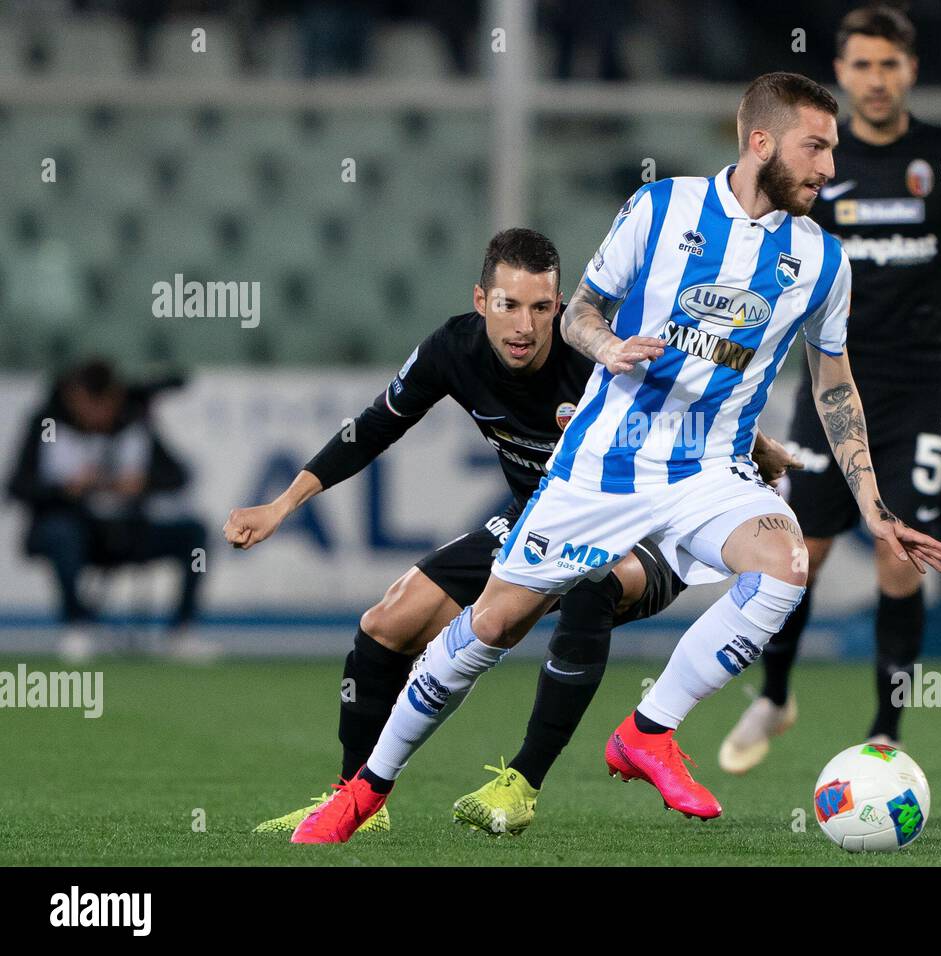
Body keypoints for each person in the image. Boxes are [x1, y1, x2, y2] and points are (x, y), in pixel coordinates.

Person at [289, 70, 941, 844]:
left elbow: (835, 384)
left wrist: (873, 506)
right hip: (603, 462)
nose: (829, 168)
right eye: (816, 148)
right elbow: (581, 315)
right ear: (761, 141)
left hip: (710, 469)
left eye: (832, 151)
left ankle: (648, 730)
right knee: (491, 627)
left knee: (783, 562)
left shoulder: (822, 261)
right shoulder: (660, 208)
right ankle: (367, 789)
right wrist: (608, 345)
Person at [223, 228, 798, 837]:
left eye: (542, 308)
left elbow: (693, 399)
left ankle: (524, 783)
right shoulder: (452, 350)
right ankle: (356, 801)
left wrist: (756, 446)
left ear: (561, 306)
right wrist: (281, 506)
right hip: (539, 520)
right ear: (481, 301)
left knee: (592, 581)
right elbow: (371, 429)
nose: (525, 326)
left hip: (647, 528)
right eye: (509, 306)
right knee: (386, 624)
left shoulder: (598, 354)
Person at [719, 2, 941, 773]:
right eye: (861, 65)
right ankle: (776, 695)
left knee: (902, 559)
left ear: (911, 71)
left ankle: (886, 732)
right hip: (830, 386)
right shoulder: (815, 166)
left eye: (888, 65)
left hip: (921, 393)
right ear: (840, 72)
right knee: (802, 554)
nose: (875, 79)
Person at [6, 359, 209, 662]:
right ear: (74, 397)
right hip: (72, 531)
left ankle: (181, 631)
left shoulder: (133, 421)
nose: (98, 416)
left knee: (196, 536)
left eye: (105, 406)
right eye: (90, 406)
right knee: (63, 534)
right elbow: (17, 486)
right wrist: (65, 489)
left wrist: (143, 484)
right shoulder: (47, 424)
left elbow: (178, 475)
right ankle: (77, 627)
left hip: (125, 530)